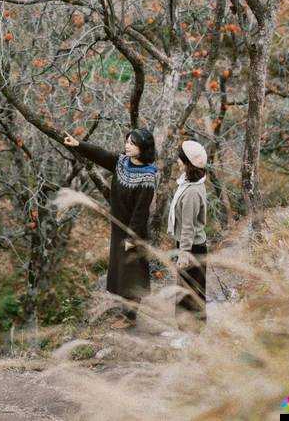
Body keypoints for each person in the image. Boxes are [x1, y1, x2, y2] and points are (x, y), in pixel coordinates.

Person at [64, 128, 157, 326]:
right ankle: (124, 312)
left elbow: (141, 213)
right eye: (127, 142)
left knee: (131, 273)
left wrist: (132, 239)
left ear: (143, 148)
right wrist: (79, 144)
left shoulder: (148, 177)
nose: (127, 146)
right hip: (118, 228)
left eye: (132, 143)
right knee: (119, 271)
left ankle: (130, 317)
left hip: (133, 232)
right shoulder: (121, 163)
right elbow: (101, 154)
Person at [167, 139, 208, 331]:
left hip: (191, 247)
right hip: (190, 246)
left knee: (189, 292)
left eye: (180, 158)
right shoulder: (189, 184)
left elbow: (188, 226)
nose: (177, 161)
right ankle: (189, 331)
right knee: (189, 290)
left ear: (186, 162)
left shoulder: (191, 191)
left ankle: (191, 334)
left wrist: (183, 253)